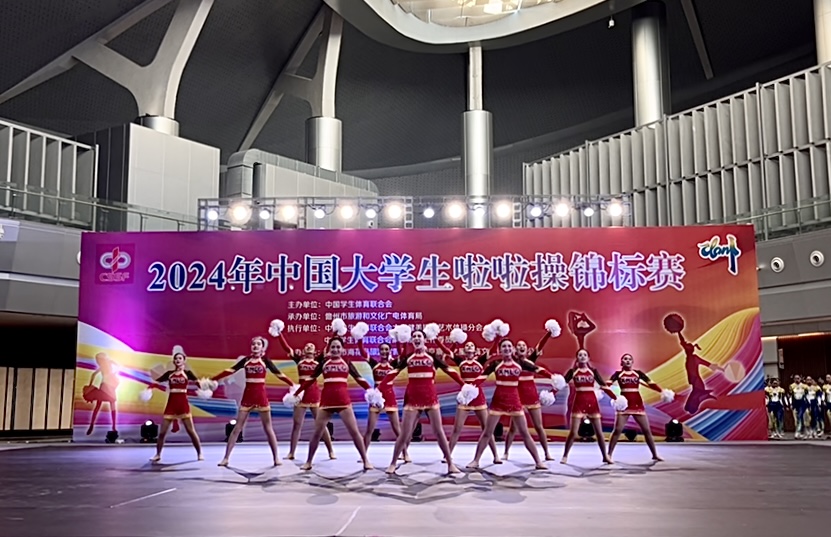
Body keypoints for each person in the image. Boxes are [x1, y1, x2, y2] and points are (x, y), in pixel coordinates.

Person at [379, 328, 466, 475]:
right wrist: (378, 389)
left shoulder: (432, 357)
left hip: (430, 398)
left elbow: (449, 371)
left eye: (419, 336)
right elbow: (392, 373)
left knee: (439, 432)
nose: (416, 338)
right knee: (405, 433)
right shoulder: (408, 358)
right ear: (412, 341)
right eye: (414, 336)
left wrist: (464, 385)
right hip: (412, 399)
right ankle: (393, 463)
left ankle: (450, 463)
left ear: (425, 340)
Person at [466, 338, 554, 470]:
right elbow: (481, 378)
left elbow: (538, 369)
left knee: (524, 433)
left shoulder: (520, 363)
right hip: (498, 401)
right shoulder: (495, 364)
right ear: (500, 350)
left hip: (514, 401)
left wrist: (553, 377)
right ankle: (476, 460)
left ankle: (538, 461)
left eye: (509, 346)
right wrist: (469, 388)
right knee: (487, 432)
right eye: (504, 347)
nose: (507, 349)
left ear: (512, 349)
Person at [293, 337, 374, 471]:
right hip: (326, 402)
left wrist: (371, 391)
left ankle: (365, 460)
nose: (335, 349)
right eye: (333, 347)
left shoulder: (346, 362)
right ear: (329, 349)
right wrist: (297, 392)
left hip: (343, 402)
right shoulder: (324, 362)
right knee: (317, 433)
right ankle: (309, 461)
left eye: (338, 347)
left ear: (342, 349)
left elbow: (359, 378)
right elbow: (310, 379)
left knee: (354, 432)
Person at [212, 336, 294, 467]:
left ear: (262, 347)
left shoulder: (265, 361)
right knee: (237, 428)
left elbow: (280, 375)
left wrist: (293, 385)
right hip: (247, 398)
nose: (255, 346)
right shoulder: (246, 360)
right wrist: (213, 379)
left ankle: (276, 458)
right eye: (253, 344)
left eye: (258, 344)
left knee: (268, 428)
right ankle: (226, 458)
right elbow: (229, 371)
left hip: (261, 397)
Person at [273, 331, 336, 461]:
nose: (309, 346)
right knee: (297, 425)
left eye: (311, 346)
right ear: (303, 350)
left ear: (314, 351)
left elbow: (329, 344)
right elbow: (287, 348)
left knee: (321, 425)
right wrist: (279, 333)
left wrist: (335, 331)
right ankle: (291, 452)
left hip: (314, 395)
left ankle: (330, 450)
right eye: (307, 346)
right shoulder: (299, 360)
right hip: (301, 395)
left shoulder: (319, 361)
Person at [439, 338, 501, 464]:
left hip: (478, 398)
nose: (469, 347)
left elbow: (493, 350)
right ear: (464, 349)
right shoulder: (460, 361)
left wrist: (498, 337)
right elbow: (446, 351)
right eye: (467, 345)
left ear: (475, 350)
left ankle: (496, 455)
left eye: (472, 345)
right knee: (457, 429)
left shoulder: (480, 360)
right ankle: (447, 455)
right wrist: (435, 339)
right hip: (465, 398)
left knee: (487, 429)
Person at [560, 349, 625, 464]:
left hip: (592, 403)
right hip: (578, 403)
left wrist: (615, 398)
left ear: (588, 358)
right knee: (573, 432)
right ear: (577, 358)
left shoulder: (593, 371)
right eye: (580, 355)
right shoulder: (573, 371)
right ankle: (565, 455)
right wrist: (551, 393)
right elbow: (561, 384)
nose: (582, 356)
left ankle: (605, 456)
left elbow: (604, 386)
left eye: (585, 355)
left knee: (599, 433)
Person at [503, 331, 555, 461]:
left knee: (539, 426)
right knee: (513, 428)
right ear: (515, 349)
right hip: (518, 398)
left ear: (527, 349)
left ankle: (547, 453)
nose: (521, 347)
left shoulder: (531, 361)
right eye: (519, 345)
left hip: (532, 397)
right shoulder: (513, 362)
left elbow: (540, 345)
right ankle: (506, 452)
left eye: (524, 345)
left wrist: (549, 333)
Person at [606, 353, 668, 460]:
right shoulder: (618, 374)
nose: (628, 361)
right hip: (624, 405)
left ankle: (654, 454)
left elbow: (651, 383)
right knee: (617, 430)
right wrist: (615, 398)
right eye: (625, 359)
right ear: (621, 362)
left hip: (637, 404)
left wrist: (662, 391)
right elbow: (606, 386)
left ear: (632, 362)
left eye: (630, 359)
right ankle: (609, 455)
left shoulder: (638, 373)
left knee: (646, 430)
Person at [148, 347, 203, 462]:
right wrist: (149, 388)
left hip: (183, 404)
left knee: (191, 431)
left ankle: (199, 453)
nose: (178, 360)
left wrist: (204, 387)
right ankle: (158, 454)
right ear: (173, 361)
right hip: (171, 405)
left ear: (184, 360)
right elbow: (156, 382)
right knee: (162, 432)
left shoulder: (188, 373)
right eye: (176, 359)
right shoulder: (169, 374)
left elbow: (199, 384)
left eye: (180, 358)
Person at [358, 339, 409, 462]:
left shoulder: (394, 364)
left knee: (397, 429)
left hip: (390, 397)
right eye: (382, 349)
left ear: (390, 351)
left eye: (386, 349)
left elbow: (404, 354)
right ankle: (363, 454)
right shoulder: (374, 364)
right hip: (376, 398)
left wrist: (401, 340)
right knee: (369, 429)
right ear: (379, 351)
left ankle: (405, 454)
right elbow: (362, 352)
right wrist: (359, 338)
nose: (384, 351)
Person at [83, 353, 120, 436]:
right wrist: (114, 374)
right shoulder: (106, 364)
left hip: (107, 386)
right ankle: (113, 426)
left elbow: (93, 374)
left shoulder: (105, 365)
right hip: (108, 386)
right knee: (110, 404)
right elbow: (118, 366)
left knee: (99, 405)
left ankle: (93, 425)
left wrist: (90, 385)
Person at [789, 375, 808, 439]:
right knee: (797, 418)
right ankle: (802, 431)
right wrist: (791, 404)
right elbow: (790, 396)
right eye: (795, 378)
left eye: (798, 378)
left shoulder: (804, 386)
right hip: (795, 403)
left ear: (800, 379)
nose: (797, 379)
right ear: (794, 379)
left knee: (800, 416)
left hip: (802, 403)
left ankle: (798, 431)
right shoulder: (792, 386)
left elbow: (806, 395)